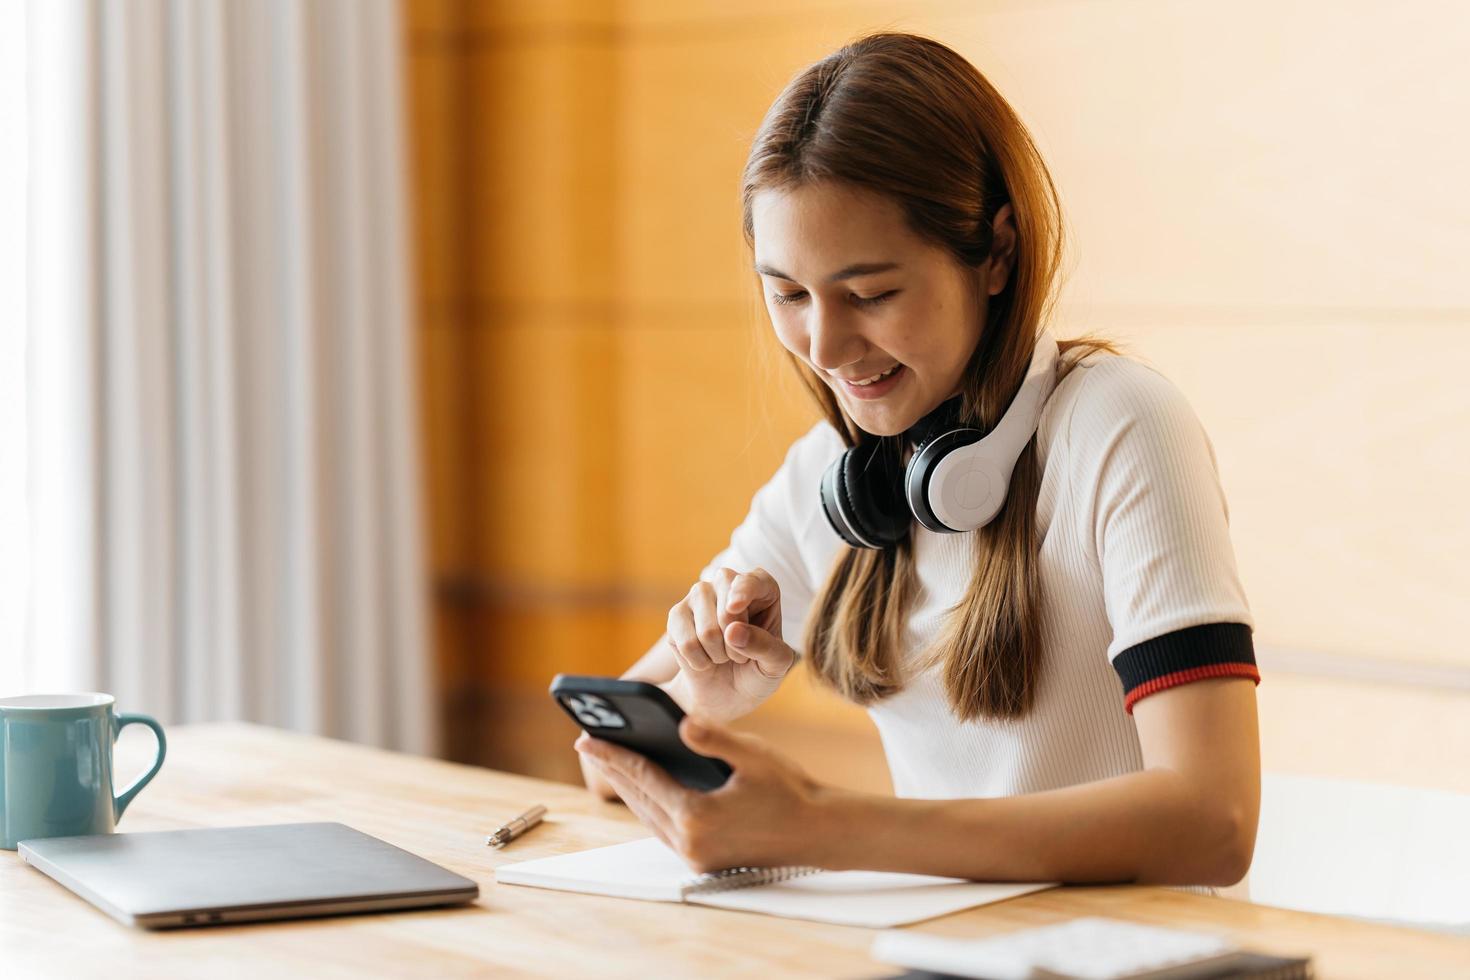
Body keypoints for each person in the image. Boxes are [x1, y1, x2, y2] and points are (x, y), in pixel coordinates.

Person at [575, 31, 1260, 891]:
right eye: (787, 293)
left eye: (870, 294)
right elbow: (602, 755)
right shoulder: (835, 475)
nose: (823, 346)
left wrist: (826, 825)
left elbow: (1213, 823)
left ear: (998, 253)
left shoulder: (1121, 425)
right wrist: (702, 708)